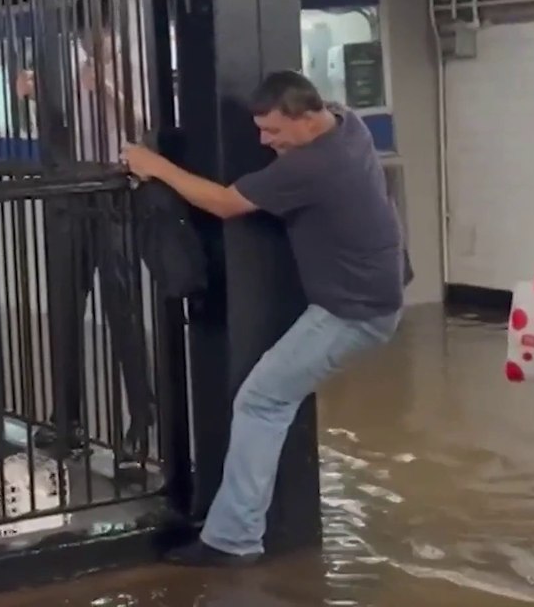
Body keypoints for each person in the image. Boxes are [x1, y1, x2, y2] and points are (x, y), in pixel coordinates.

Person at [120, 70, 405, 566]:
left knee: (261, 400)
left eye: (273, 131)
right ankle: (237, 530)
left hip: (353, 313)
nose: (264, 141)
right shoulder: (348, 124)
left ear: (308, 118)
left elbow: (225, 203)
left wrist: (155, 165)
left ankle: (234, 538)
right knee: (270, 397)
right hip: (372, 299)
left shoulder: (315, 165)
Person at [16, 11, 156, 470]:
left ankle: (141, 424)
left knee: (123, 312)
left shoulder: (134, 68)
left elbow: (144, 124)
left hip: (114, 193)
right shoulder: (67, 72)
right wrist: (33, 97)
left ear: (113, 32)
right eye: (84, 35)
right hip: (71, 195)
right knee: (65, 309)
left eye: (99, 33)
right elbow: (53, 135)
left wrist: (107, 88)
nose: (91, 42)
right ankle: (67, 419)